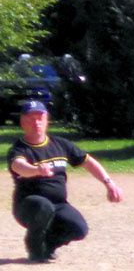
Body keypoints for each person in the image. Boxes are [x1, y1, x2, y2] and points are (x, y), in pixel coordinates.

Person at [7, 100, 123, 262]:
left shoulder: (60, 144)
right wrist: (36, 170)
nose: (36, 122)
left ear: (47, 120)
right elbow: (18, 166)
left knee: (79, 228)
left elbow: (88, 162)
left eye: (40, 118)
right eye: (30, 118)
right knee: (43, 206)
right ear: (22, 122)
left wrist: (109, 182)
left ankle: (47, 245)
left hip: (58, 203)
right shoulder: (20, 148)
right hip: (28, 206)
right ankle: (34, 246)